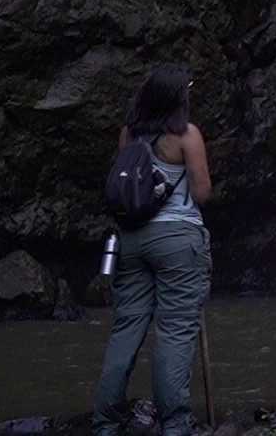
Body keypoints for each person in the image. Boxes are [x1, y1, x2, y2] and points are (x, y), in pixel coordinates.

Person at [93, 64, 214, 436]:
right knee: (176, 330)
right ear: (178, 97)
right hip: (177, 240)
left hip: (131, 241)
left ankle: (105, 424)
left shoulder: (129, 135)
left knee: (127, 327)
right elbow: (201, 192)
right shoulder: (187, 136)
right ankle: (176, 425)